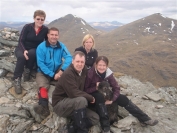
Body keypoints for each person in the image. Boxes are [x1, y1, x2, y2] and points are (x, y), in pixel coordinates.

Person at [84, 56, 158, 133]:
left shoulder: (108, 74)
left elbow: (116, 88)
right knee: (100, 98)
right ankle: (106, 128)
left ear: (107, 66)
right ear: (96, 65)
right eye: (100, 65)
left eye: (104, 65)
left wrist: (112, 100)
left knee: (122, 98)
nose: (102, 67)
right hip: (94, 96)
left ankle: (145, 119)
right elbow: (85, 90)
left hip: (106, 94)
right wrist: (96, 87)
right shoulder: (90, 74)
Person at [52, 51, 99, 133]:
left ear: (85, 63)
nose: (80, 64)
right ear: (72, 61)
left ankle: (70, 128)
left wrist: (98, 84)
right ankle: (82, 130)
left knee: (95, 118)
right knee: (82, 100)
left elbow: (91, 79)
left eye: (82, 62)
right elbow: (74, 93)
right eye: (77, 61)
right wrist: (90, 98)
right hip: (60, 104)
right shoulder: (68, 73)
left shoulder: (84, 70)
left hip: (74, 104)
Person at [33, 27, 72, 118]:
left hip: (57, 70)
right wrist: (52, 75)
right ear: (48, 35)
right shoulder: (41, 47)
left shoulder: (61, 46)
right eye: (52, 35)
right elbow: (41, 64)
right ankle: (44, 107)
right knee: (43, 86)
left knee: (68, 75)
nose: (54, 37)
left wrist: (61, 72)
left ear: (58, 36)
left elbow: (69, 57)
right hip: (43, 71)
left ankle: (70, 99)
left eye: (56, 35)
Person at [12, 10, 48, 94]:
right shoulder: (27, 27)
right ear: (34, 18)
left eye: (42, 19)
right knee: (21, 57)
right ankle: (17, 79)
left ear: (44, 20)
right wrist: (24, 50)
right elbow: (20, 41)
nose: (40, 21)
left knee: (32, 53)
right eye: (38, 19)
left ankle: (27, 70)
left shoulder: (45, 29)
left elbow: (47, 42)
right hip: (21, 47)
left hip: (34, 49)